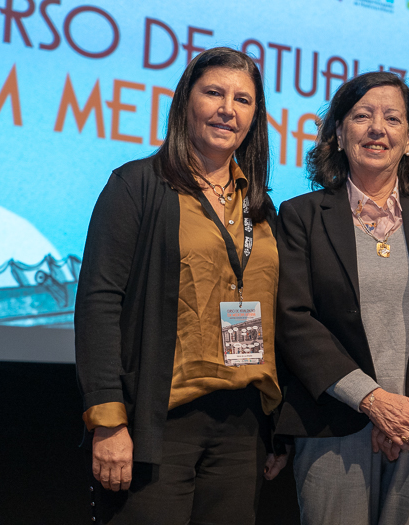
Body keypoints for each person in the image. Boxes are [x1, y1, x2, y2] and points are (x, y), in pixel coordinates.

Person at [74, 47, 286, 525]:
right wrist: (108, 420)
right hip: (159, 422)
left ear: (255, 117)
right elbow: (99, 303)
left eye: (243, 100)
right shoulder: (137, 185)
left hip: (243, 426)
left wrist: (277, 428)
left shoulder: (259, 205)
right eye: (213, 93)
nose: (227, 109)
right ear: (185, 102)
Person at [274, 71, 409, 525]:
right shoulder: (300, 216)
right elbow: (294, 319)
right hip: (335, 422)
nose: (377, 129)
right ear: (338, 134)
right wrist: (373, 402)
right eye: (361, 116)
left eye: (392, 118)